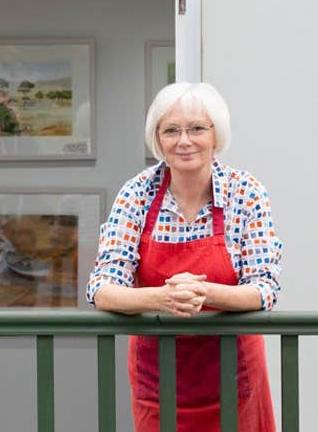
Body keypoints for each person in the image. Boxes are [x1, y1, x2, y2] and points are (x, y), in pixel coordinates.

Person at [86, 82, 281, 431]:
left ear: (216, 135)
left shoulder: (246, 192)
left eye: (196, 129)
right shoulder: (136, 194)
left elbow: (264, 289)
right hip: (157, 381)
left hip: (235, 378)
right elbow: (102, 289)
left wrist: (203, 294)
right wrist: (163, 298)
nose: (184, 140)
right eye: (171, 130)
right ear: (157, 139)